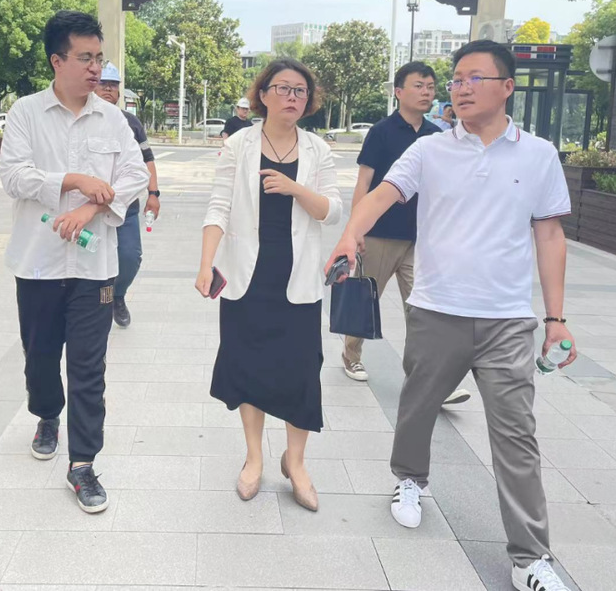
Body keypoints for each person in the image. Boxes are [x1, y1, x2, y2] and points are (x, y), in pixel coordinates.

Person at [326, 40, 577, 591]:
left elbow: (550, 234)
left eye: (473, 78)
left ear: (506, 87)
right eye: (456, 78)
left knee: (517, 436)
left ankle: (530, 557)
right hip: (437, 309)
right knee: (418, 407)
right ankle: (410, 479)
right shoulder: (430, 149)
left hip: (507, 320)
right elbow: (382, 194)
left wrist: (555, 318)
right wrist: (350, 235)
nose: (460, 88)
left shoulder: (539, 155)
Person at [0, 11, 149, 514]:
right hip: (37, 264)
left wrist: (91, 209)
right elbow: (14, 176)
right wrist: (72, 181)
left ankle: (82, 463)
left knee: (88, 368)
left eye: (99, 58)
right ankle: (47, 415)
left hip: (95, 269)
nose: (95, 68)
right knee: (40, 359)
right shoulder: (26, 112)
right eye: (85, 58)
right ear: (56, 60)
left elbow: (134, 176)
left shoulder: (113, 118)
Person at [196, 59, 342, 512]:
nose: (292, 97)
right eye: (283, 88)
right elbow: (218, 207)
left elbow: (332, 211)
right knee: (248, 367)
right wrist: (206, 264)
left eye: (300, 90)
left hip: (298, 280)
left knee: (302, 372)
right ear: (263, 94)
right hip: (248, 278)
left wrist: (295, 188)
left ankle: (295, 462)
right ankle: (254, 457)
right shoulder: (238, 144)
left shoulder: (318, 149)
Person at [341, 62, 470, 406]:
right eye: (419, 86)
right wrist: (356, 229)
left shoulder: (436, 136)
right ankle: (351, 356)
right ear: (399, 92)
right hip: (380, 233)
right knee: (365, 300)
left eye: (431, 87)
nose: (427, 92)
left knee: (422, 311)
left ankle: (429, 378)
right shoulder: (381, 132)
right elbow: (364, 183)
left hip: (421, 239)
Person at [94, 62, 161, 327]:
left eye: (113, 85)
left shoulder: (131, 123)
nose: (108, 89)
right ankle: (95, 305)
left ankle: (117, 296)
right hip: (89, 207)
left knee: (130, 258)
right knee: (91, 261)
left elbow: (147, 160)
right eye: (103, 84)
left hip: (126, 207)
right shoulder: (85, 120)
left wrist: (153, 194)